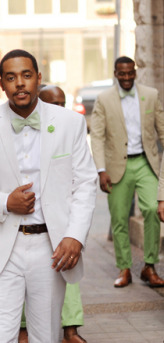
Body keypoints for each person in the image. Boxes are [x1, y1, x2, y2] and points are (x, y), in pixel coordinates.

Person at [0, 49, 97, 342]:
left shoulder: (70, 122)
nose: (20, 83)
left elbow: (85, 183)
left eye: (26, 75)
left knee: (46, 336)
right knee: (0, 336)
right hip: (0, 245)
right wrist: (3, 201)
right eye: (11, 77)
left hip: (51, 247)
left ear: (38, 79)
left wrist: (75, 236)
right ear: (1, 84)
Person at [16, 86, 86, 343]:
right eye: (52, 103)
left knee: (70, 273)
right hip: (29, 222)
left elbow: (82, 180)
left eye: (62, 102)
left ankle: (71, 328)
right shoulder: (22, 132)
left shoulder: (71, 128)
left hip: (64, 222)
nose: (58, 107)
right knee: (25, 280)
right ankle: (23, 327)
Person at [91, 56, 164, 288]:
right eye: (121, 73)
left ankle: (149, 266)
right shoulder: (103, 99)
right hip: (116, 166)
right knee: (119, 218)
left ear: (135, 72)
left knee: (153, 209)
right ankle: (124, 268)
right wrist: (101, 170)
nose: (126, 77)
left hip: (145, 162)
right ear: (115, 73)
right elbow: (97, 136)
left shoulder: (150, 95)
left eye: (130, 73)